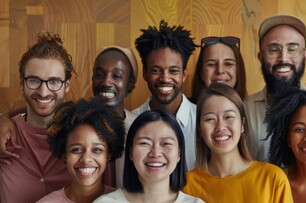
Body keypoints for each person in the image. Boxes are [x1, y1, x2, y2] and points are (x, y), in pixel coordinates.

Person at [183, 84, 294, 203]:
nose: (220, 127)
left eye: (228, 117)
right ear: (200, 130)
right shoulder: (186, 186)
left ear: (242, 124)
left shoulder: (273, 179)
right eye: (210, 119)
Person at [84, 109, 213, 203]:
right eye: (144, 143)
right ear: (130, 153)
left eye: (166, 143)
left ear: (179, 153)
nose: (155, 153)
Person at [0, 32, 73, 203]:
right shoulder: (4, 136)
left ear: (66, 85)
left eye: (54, 82)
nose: (43, 91)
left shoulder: (81, 139)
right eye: (34, 81)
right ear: (22, 82)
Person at [19, 99, 124, 203]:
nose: (86, 159)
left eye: (97, 149)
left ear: (108, 155)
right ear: (64, 154)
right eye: (76, 149)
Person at [133, 20, 198, 170]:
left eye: (173, 71)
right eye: (156, 70)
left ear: (184, 75)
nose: (165, 78)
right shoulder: (131, 122)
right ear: (145, 73)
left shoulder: (202, 121)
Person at [244, 14, 306, 162]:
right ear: (260, 57)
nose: (283, 58)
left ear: (305, 56)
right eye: (274, 49)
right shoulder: (244, 109)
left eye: (292, 49)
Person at [92, 45, 139, 187]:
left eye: (117, 76)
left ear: (130, 83)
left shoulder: (138, 128)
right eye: (100, 74)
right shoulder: (77, 124)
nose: (106, 82)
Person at [190, 36, 247, 103]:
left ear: (238, 71)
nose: (220, 70)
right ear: (201, 73)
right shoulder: (187, 110)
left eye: (228, 64)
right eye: (211, 64)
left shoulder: (249, 108)